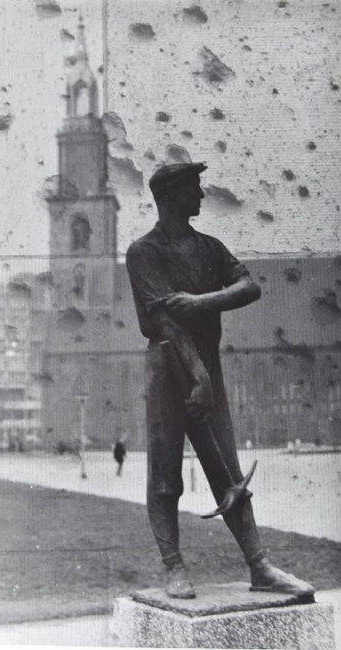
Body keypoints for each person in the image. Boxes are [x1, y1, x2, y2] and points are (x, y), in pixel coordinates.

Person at [126, 162, 314, 599]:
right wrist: (197, 378)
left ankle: (259, 566)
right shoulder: (144, 252)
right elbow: (165, 321)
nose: (203, 195)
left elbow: (249, 287)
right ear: (171, 195)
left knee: (227, 471)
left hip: (206, 362)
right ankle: (174, 567)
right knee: (165, 474)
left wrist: (202, 301)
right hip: (168, 365)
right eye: (195, 187)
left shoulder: (210, 247)